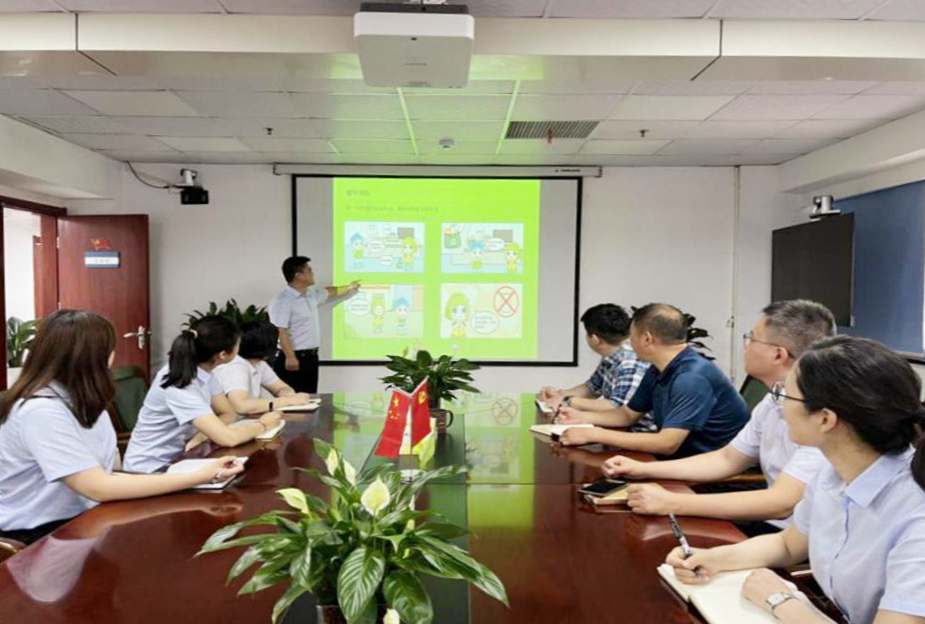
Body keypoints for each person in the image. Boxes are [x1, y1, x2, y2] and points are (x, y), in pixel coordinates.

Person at [665, 336, 925, 624]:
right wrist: (715, 558)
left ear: (825, 419)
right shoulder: (833, 472)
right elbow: (789, 544)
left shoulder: (916, 512)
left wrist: (781, 601)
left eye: (786, 395)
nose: (779, 404)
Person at [0, 310, 244, 544]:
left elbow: (99, 476)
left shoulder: (84, 400)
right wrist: (200, 476)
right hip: (39, 534)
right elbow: (97, 487)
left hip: (87, 516)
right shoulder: (41, 410)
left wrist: (198, 476)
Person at [604, 300, 834, 532]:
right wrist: (641, 468)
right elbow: (727, 459)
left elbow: (780, 504)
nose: (746, 346)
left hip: (796, 535)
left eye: (752, 339)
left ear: (778, 355)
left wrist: (671, 502)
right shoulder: (774, 398)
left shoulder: (822, 416)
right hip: (773, 527)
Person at [558, 303, 749, 458]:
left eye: (631, 336)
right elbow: (627, 415)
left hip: (710, 472)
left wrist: (595, 434)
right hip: (682, 460)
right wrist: (582, 418)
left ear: (647, 339)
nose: (627, 343)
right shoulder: (659, 367)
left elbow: (667, 443)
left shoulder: (691, 378)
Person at [124, 316, 281, 473]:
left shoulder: (205, 373)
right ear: (223, 355)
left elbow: (228, 413)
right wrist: (264, 424)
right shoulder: (179, 382)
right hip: (152, 468)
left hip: (185, 457)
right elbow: (228, 438)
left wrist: (202, 435)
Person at [538, 304, 655, 432]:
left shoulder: (630, 362)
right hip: (615, 429)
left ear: (594, 339)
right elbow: (591, 388)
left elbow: (617, 407)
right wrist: (559, 394)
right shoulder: (612, 355)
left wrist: (568, 400)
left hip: (637, 433)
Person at [269, 256, 360, 393]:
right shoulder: (283, 301)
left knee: (310, 398)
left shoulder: (309, 294)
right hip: (294, 359)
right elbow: (280, 331)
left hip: (310, 358)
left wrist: (349, 287)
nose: (312, 273)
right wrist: (290, 357)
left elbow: (329, 292)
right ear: (298, 275)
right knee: (292, 401)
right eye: (309, 270)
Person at [213, 320, 314, 415]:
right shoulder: (234, 367)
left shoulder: (259, 363)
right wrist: (287, 401)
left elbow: (280, 387)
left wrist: (288, 395)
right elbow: (241, 406)